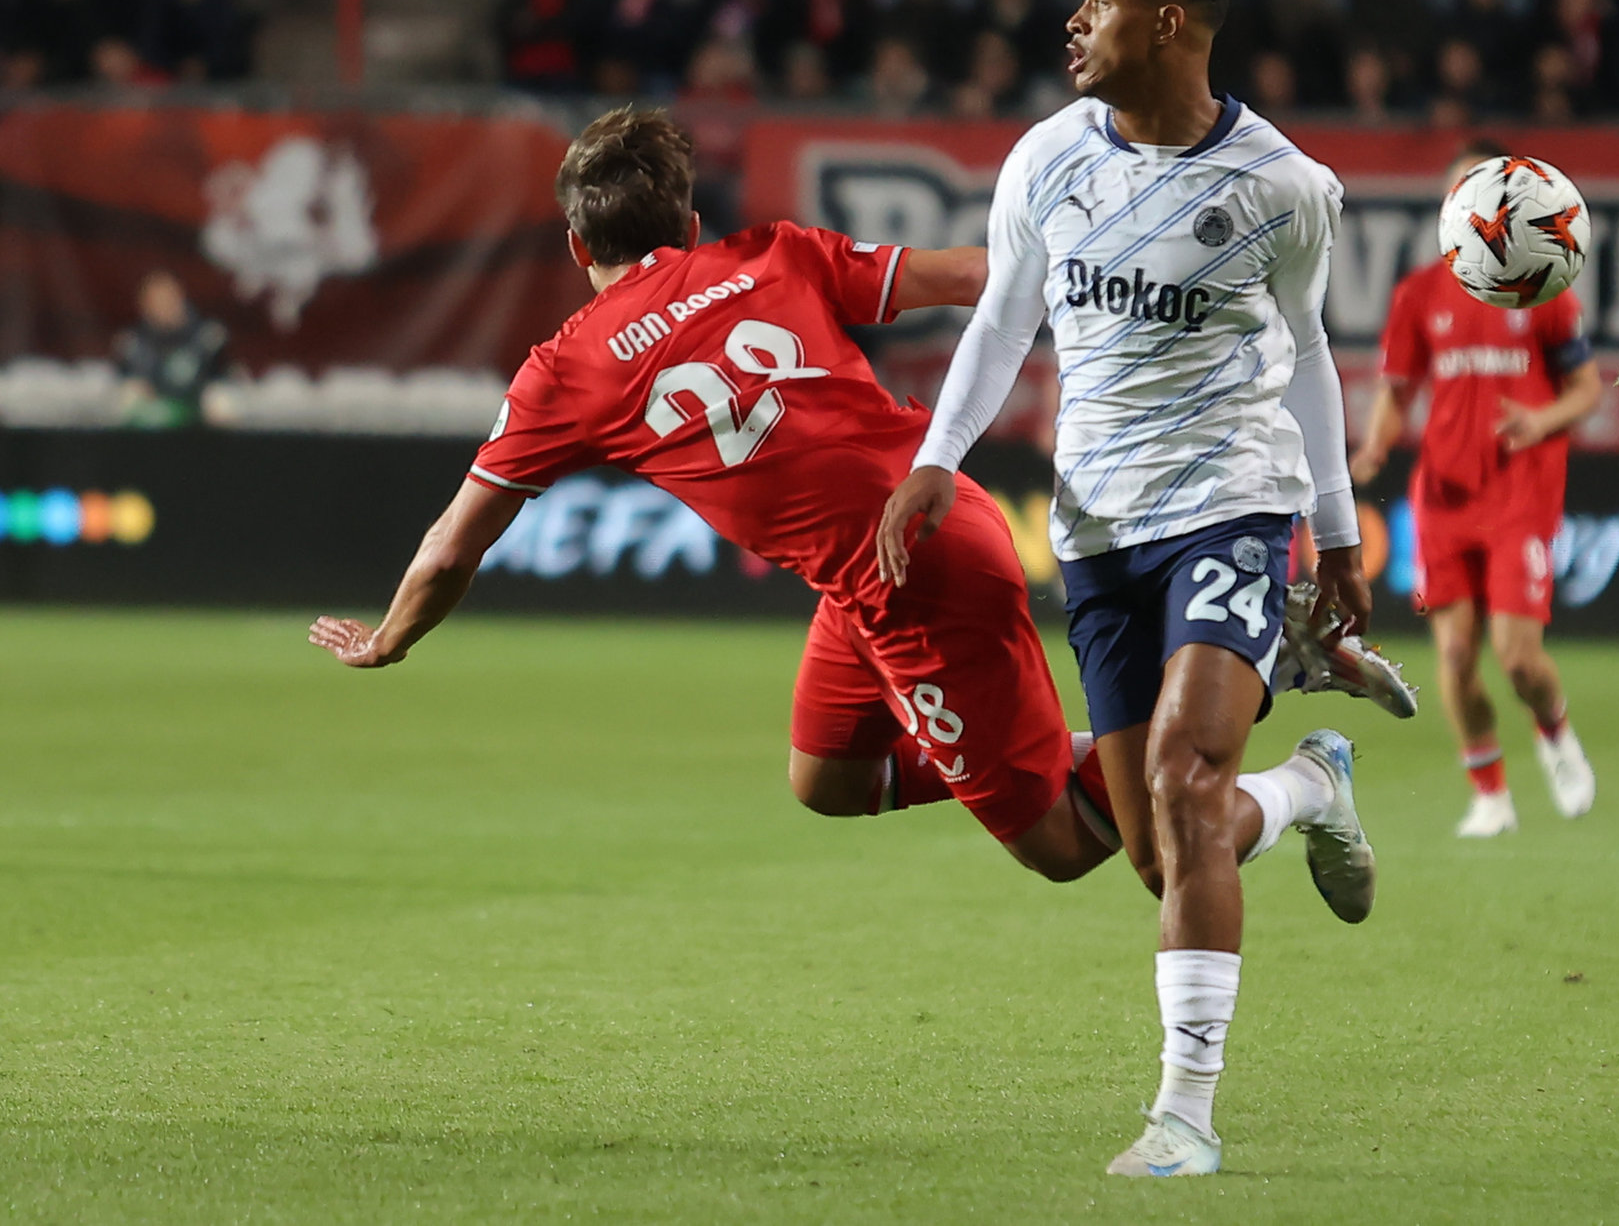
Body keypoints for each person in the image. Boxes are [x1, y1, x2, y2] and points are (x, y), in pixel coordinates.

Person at [310, 107, 1122, 884]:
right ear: (690, 228)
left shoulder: (563, 371)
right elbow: (978, 275)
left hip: (903, 572)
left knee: (1060, 845)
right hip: (927, 511)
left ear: (575, 245)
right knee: (830, 778)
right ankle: (1044, 750)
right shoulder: (774, 254)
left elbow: (455, 545)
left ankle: (1186, 768)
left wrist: (389, 638)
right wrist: (1118, 267)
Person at [876, 0, 1381, 1178]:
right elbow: (1002, 320)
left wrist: (1334, 530)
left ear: (1165, 23)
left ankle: (1185, 1118)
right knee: (1159, 844)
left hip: (1231, 507)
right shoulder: (1047, 158)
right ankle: (1314, 786)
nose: (1072, 22)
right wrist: (937, 456)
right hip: (1097, 533)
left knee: (1182, 772)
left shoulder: (1281, 186)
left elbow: (1310, 355)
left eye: (1096, 1)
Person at [1349, 141, 1604, 839]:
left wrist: (1539, 419)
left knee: (1519, 658)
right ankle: (1489, 793)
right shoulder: (1418, 293)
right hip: (1444, 496)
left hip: (1520, 491)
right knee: (1455, 656)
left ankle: (1553, 733)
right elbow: (1397, 390)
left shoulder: (1544, 286)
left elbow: (1587, 389)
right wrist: (1373, 445)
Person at [115, 269, 229, 428]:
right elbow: (131, 378)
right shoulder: (132, 341)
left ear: (179, 297)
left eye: (167, 298)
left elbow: (219, 378)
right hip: (153, 405)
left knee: (221, 402)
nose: (163, 306)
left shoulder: (208, 335)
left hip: (196, 406)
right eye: (156, 300)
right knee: (127, 396)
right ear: (144, 304)